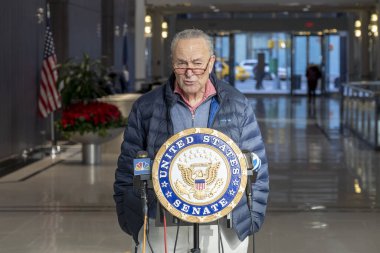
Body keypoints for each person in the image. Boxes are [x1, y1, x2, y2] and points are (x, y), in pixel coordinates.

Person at [113, 29, 269, 252]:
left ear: (212, 62)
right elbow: (127, 170)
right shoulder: (146, 106)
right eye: (181, 63)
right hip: (162, 224)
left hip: (225, 228)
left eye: (197, 63)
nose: (189, 72)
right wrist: (133, 222)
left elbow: (257, 168)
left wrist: (251, 218)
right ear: (172, 63)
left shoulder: (237, 104)